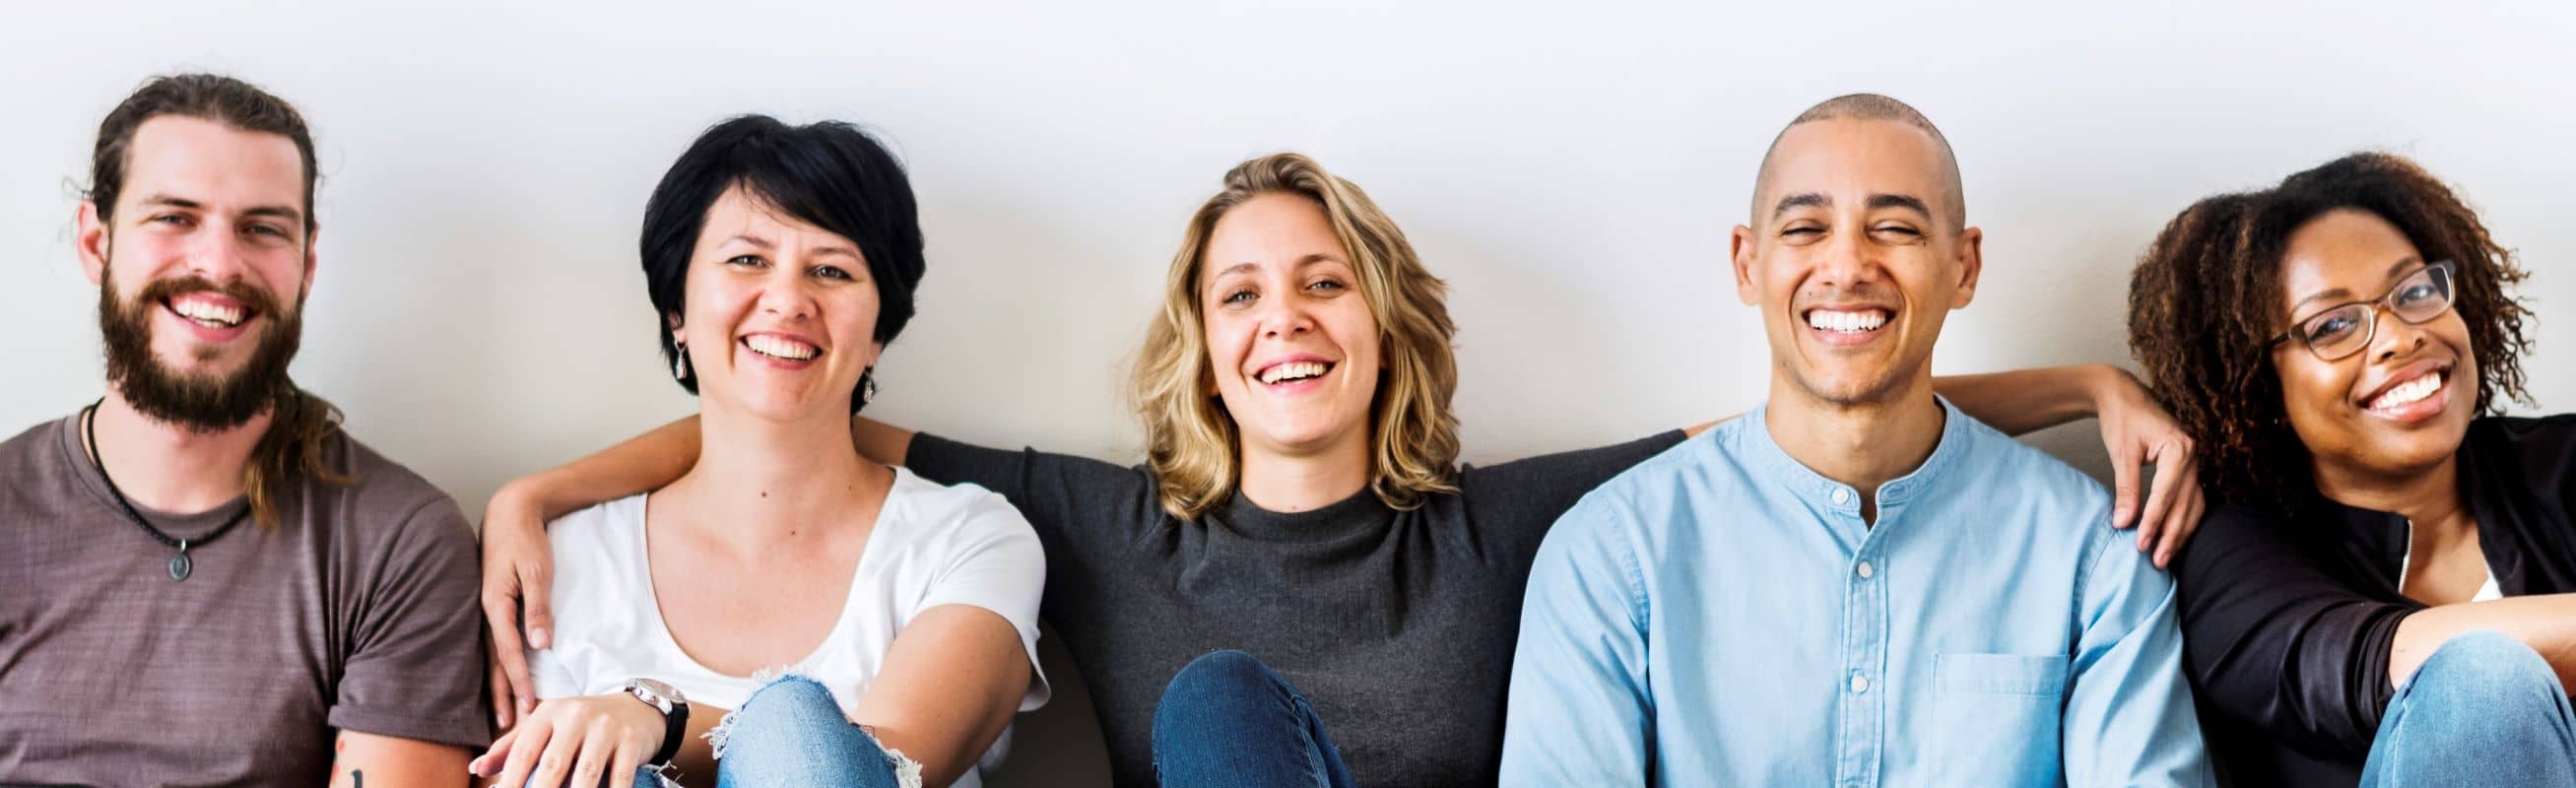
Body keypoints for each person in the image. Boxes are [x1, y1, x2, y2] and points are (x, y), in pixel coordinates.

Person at [477, 152, 2198, 786]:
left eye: (1322, 283)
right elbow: (810, 409)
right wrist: (538, 495)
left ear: (1383, 323)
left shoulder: (1516, 524)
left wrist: (2076, 385)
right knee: (1202, 708)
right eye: (1244, 291)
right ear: (1201, 340)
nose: (1285, 319)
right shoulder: (1095, 520)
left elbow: (1808, 410)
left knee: (1223, 706)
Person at [1499, 94, 2213, 786]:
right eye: (1805, 228)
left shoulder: (2094, 554)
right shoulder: (1610, 554)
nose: (1844, 268)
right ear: (1747, 264)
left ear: (1963, 266)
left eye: (1896, 229)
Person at [464, 115, 1047, 788]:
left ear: (878, 333)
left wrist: (656, 715)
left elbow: (894, 767)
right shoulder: (556, 565)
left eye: (831, 270)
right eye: (748, 259)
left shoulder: (966, 539)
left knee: (792, 724)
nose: (788, 300)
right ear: (677, 309)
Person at [0, 74, 487, 786]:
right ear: (96, 243)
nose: (220, 264)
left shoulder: (397, 539)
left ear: (307, 264)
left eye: (262, 228)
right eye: (174, 217)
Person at [2136, 152, 2576, 786]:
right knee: (2480, 682)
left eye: (2416, 291)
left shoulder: (2557, 465)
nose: (2400, 336)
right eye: (2334, 324)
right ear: (2262, 386)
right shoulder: (2233, 553)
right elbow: (2382, 663)